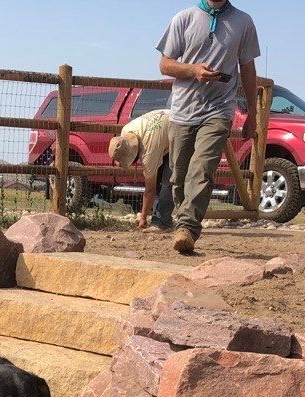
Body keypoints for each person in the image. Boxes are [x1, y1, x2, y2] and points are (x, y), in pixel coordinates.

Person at [157, 1, 261, 254]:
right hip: (183, 110)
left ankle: (188, 228)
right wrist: (192, 70)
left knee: (202, 168)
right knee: (178, 175)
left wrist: (252, 113)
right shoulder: (184, 18)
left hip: (219, 110)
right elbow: (165, 64)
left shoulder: (244, 22)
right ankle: (183, 222)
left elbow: (247, 69)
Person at [109, 108, 173, 232]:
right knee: (159, 176)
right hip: (169, 128)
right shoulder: (126, 131)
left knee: (168, 181)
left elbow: (149, 190)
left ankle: (162, 223)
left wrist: (143, 217)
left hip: (181, 131)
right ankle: (159, 217)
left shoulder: (149, 150)